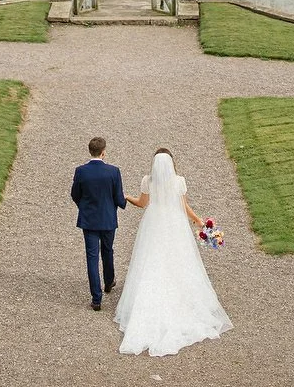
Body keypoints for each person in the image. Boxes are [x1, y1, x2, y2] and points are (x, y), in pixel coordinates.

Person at [115, 148, 233, 356]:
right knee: (179, 258)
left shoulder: (148, 181)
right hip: (175, 222)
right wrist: (198, 221)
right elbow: (183, 205)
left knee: (151, 257)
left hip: (154, 222)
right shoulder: (179, 181)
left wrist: (127, 197)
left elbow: (143, 204)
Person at [70, 136, 126, 311]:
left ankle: (96, 298)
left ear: (90, 151)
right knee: (108, 250)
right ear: (103, 152)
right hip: (108, 219)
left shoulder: (81, 171)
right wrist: (123, 203)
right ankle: (108, 281)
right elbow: (118, 197)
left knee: (92, 257)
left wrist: (84, 207)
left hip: (89, 220)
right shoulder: (113, 171)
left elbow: (75, 194)